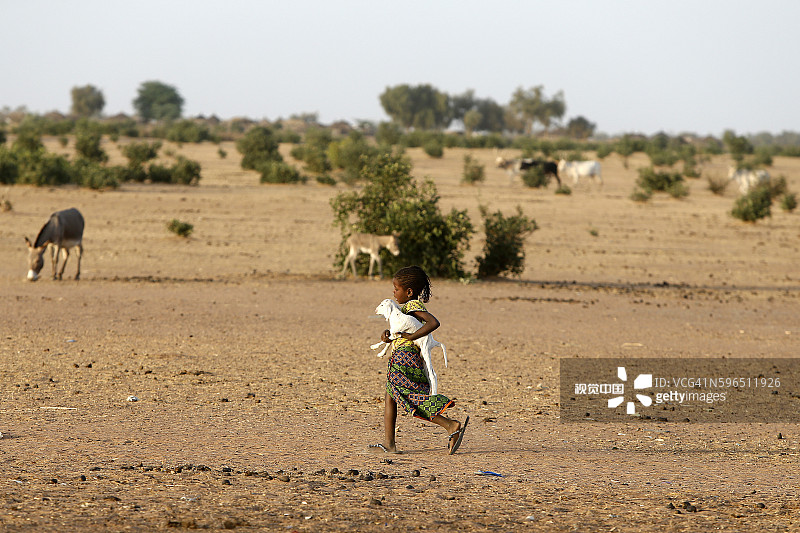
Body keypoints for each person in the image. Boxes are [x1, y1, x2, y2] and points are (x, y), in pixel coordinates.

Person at [369, 265, 469, 455]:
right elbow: (400, 330)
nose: (393, 292)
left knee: (412, 398)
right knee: (392, 396)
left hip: (406, 359)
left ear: (409, 292)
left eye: (396, 289)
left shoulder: (413, 306)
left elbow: (433, 323)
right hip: (401, 357)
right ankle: (389, 443)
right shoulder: (403, 308)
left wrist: (411, 338)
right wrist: (386, 336)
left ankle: (450, 425)